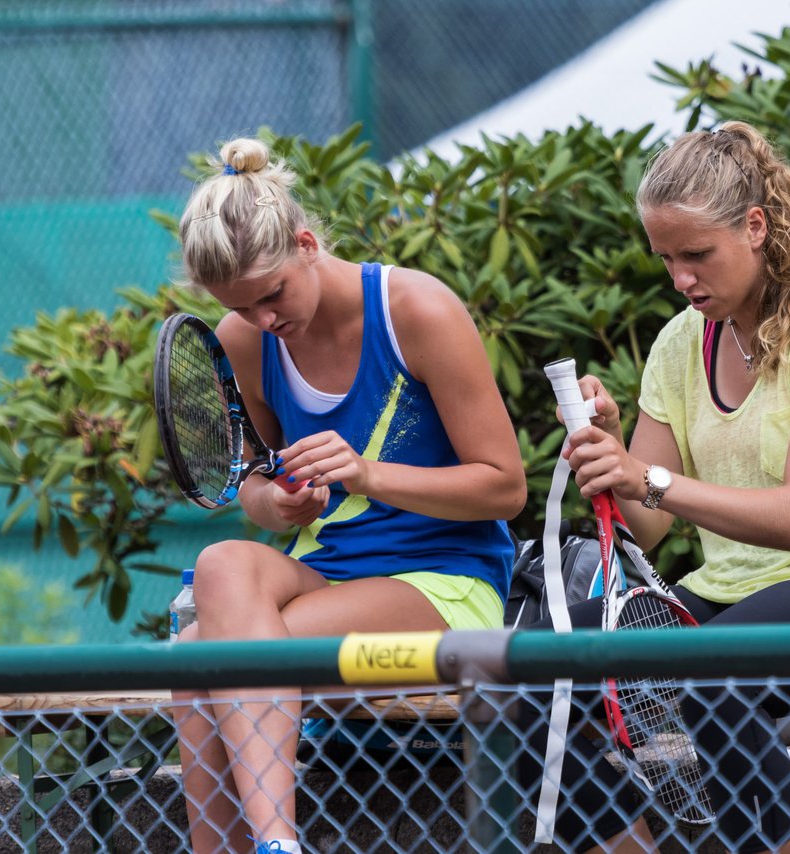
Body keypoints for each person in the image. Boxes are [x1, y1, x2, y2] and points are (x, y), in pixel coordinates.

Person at [531, 121, 790, 852]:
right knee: (523, 679)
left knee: (713, 674)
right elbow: (645, 527)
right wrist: (612, 451)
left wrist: (646, 477)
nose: (682, 280)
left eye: (697, 255)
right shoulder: (681, 340)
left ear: (754, 227)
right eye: (666, 260)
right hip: (729, 593)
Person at [168, 137, 526, 854]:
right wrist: (277, 505)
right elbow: (259, 485)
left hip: (444, 583)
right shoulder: (246, 339)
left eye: (272, 295)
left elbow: (505, 488)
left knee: (202, 658)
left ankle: (272, 846)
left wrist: (366, 474)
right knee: (220, 569)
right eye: (241, 307)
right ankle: (278, 846)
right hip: (324, 573)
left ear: (305, 244)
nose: (264, 321)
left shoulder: (418, 310)